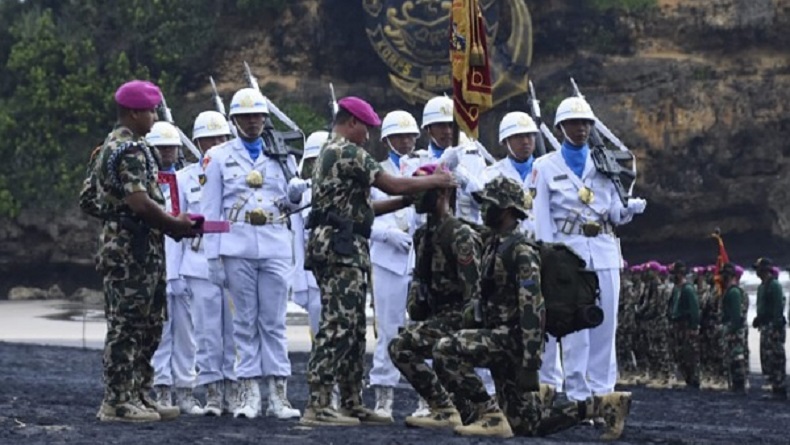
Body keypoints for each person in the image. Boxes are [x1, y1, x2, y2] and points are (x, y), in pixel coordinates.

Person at [433, 176, 631, 440]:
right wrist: (443, 206)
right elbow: (460, 227)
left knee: (445, 350)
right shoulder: (495, 242)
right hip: (501, 338)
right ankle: (603, 406)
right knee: (529, 426)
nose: (483, 209)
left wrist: (530, 362)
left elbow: (532, 308)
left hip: (511, 341)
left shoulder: (521, 252)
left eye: (488, 204)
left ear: (505, 210)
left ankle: (488, 415)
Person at [299, 97, 457, 427]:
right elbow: (390, 183)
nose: (368, 136)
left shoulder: (334, 152)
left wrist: (405, 200)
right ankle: (318, 404)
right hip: (338, 249)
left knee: (354, 328)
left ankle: (351, 401)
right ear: (352, 123)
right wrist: (435, 181)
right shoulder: (346, 151)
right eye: (367, 128)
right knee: (338, 325)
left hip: (346, 245)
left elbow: (366, 208)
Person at [91, 80, 196, 422]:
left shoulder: (114, 146)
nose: (154, 116)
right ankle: (118, 401)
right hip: (131, 250)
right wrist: (172, 225)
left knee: (149, 324)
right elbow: (139, 201)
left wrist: (112, 215)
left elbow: (89, 198)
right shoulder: (131, 151)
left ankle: (138, 393)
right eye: (150, 110)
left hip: (136, 247)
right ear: (134, 113)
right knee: (128, 325)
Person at [532, 96, 647, 403]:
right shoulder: (544, 167)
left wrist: (629, 210)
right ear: (560, 127)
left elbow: (612, 212)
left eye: (585, 123)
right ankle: (579, 396)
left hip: (605, 249)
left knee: (605, 326)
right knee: (574, 329)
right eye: (573, 123)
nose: (580, 129)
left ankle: (602, 394)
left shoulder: (604, 162)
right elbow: (541, 220)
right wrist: (545, 261)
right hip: (568, 254)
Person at [201, 88, 303, 419]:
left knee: (273, 322)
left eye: (258, 116)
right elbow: (212, 209)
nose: (253, 122)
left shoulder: (282, 155)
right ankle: (248, 393)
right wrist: (213, 257)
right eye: (245, 117)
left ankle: (278, 394)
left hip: (274, 243)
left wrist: (297, 196)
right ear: (234, 121)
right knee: (244, 322)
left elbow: (291, 206)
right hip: (237, 245)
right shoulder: (217, 157)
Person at [388, 163, 482, 429]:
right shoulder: (423, 235)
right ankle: (452, 407)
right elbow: (420, 286)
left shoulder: (459, 234)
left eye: (424, 191)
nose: (416, 198)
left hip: (460, 319)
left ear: (441, 194)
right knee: (402, 341)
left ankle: (446, 407)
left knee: (401, 346)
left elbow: (473, 295)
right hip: (439, 316)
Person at [173, 110, 237, 416]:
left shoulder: (240, 173)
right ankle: (212, 392)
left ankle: (234, 390)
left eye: (221, 138)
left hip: (235, 259)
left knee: (235, 330)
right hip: (199, 261)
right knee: (207, 332)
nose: (215, 144)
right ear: (197, 142)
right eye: (209, 139)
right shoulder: (185, 178)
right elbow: (176, 223)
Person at [147, 122, 203, 415]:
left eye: (172, 147)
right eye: (162, 147)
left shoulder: (187, 179)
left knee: (187, 333)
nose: (167, 152)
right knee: (160, 333)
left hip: (183, 266)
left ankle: (186, 390)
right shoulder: (143, 181)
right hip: (155, 265)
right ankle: (162, 390)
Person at [368, 110, 420, 420]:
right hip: (388, 258)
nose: (406, 141)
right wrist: (384, 234)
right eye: (399, 136)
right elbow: (361, 215)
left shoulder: (424, 168)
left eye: (410, 135)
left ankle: (427, 397)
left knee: (422, 332)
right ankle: (383, 396)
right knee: (388, 329)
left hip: (420, 257)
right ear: (387, 140)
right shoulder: (374, 172)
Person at [403, 96, 486, 223]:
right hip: (431, 235)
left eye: (451, 125)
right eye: (441, 126)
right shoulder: (412, 161)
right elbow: (415, 197)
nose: (447, 131)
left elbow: (485, 199)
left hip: (468, 234)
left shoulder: (473, 157)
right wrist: (443, 165)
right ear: (428, 129)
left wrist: (463, 176)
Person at [292, 130, 329, 338]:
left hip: (342, 270)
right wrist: (300, 283)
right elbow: (297, 241)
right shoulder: (303, 195)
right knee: (318, 334)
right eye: (315, 161)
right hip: (313, 275)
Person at [482, 111, 538, 238]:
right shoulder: (491, 175)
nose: (525, 142)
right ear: (505, 141)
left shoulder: (546, 169)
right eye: (518, 137)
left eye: (529, 135)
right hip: (510, 246)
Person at [752, 257, 787, 400]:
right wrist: (758, 318)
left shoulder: (774, 285)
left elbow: (778, 308)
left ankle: (780, 388)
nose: (757, 272)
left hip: (773, 327)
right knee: (766, 357)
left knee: (776, 357)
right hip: (765, 326)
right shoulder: (762, 286)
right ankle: (773, 386)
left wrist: (776, 326)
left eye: (759, 269)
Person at [669, 261, 701, 389]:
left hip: (686, 325)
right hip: (678, 325)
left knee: (689, 353)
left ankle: (693, 379)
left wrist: (693, 327)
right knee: (679, 353)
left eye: (674, 274)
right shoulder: (677, 289)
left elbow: (694, 309)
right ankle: (685, 378)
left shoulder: (688, 289)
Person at [719, 262, 747, 393]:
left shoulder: (734, 292)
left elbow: (736, 315)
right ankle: (735, 385)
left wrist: (730, 329)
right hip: (730, 329)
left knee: (736, 357)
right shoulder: (730, 291)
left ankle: (739, 385)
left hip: (734, 330)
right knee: (731, 358)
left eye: (724, 275)